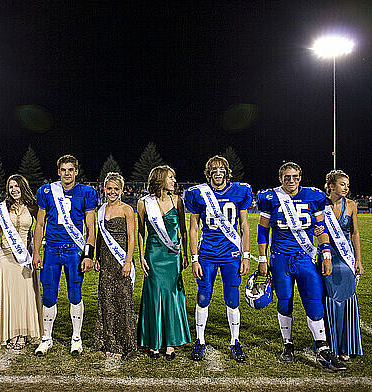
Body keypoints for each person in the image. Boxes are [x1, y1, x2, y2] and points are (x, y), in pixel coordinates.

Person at [256, 162, 346, 371]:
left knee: (314, 300)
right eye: (287, 177)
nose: (291, 181)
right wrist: (262, 258)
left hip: (306, 257)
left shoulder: (313, 196)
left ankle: (322, 349)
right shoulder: (270, 198)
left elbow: (321, 227)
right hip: (280, 259)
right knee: (284, 301)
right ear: (280, 179)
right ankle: (288, 344)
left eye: (295, 177)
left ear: (300, 178)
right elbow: (262, 231)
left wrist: (326, 254)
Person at [184, 155, 252, 363]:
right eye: (213, 168)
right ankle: (200, 340)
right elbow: (193, 227)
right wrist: (194, 258)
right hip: (207, 253)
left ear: (227, 171)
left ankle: (234, 341)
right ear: (208, 172)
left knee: (232, 297)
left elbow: (245, 226)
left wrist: (246, 255)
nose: (217, 171)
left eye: (221, 168)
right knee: (203, 296)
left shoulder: (240, 191)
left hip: (231, 254)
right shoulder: (198, 193)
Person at [32, 155, 97, 356]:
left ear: (76, 171)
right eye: (63, 170)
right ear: (58, 171)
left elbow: (90, 227)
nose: (67, 173)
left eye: (70, 169)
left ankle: (76, 338)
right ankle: (46, 338)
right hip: (51, 249)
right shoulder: (46, 191)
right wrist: (36, 252)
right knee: (49, 294)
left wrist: (88, 254)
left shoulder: (87, 192)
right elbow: (40, 224)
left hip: (74, 250)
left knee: (75, 294)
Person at [137, 165, 191, 360]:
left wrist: (185, 254)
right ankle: (154, 341)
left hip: (173, 255)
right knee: (154, 296)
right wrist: (141, 256)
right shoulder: (144, 203)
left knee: (172, 296)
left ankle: (169, 342)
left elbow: (184, 230)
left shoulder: (177, 200)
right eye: (171, 177)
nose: (174, 181)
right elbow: (141, 231)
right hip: (153, 254)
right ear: (160, 179)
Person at [0, 174, 44, 350]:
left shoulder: (33, 207)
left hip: (24, 257)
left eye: (17, 186)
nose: (14, 189)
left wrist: (36, 251)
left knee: (25, 295)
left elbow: (40, 228)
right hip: (6, 256)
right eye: (11, 187)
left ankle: (23, 333)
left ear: (23, 187)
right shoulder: (4, 207)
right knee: (10, 295)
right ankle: (11, 333)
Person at [318, 170, 364, 361]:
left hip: (346, 260)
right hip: (328, 257)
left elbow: (355, 234)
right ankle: (330, 345)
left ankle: (345, 345)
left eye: (347, 184)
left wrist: (359, 260)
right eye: (342, 184)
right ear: (331, 186)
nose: (346, 187)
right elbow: (316, 229)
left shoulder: (352, 205)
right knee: (328, 300)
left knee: (346, 300)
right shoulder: (320, 204)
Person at [93, 172, 138, 359]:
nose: (112, 192)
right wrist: (96, 257)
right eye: (109, 188)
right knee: (106, 300)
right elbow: (99, 236)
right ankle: (107, 340)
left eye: (116, 189)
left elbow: (131, 237)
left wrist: (128, 261)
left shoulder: (127, 209)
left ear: (122, 190)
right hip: (105, 260)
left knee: (123, 300)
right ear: (104, 189)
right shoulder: (101, 209)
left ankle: (125, 342)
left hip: (121, 262)